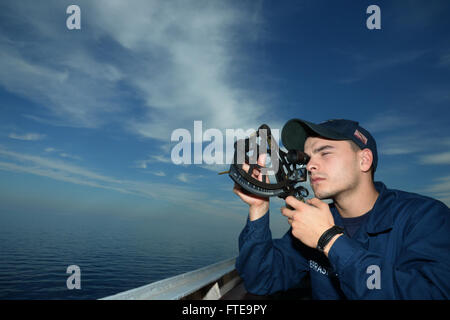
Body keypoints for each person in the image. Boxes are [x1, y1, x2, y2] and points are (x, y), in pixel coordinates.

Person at [233, 118, 450, 299]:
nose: (310, 166)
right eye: (307, 158)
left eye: (325, 153)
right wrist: (259, 208)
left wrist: (329, 241)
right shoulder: (317, 221)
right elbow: (261, 280)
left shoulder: (426, 217)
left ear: (364, 160)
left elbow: (432, 292)